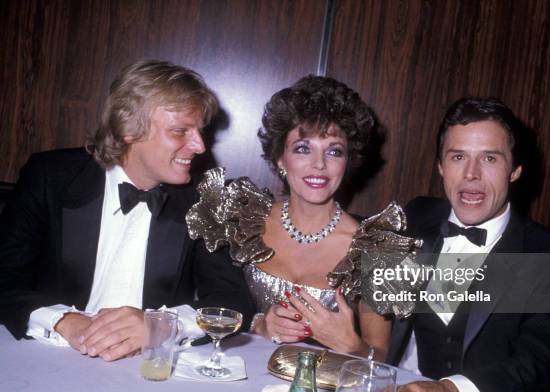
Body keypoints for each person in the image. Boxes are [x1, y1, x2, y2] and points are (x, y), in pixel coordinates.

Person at [0, 59, 254, 362]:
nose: (200, 146)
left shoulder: (204, 198)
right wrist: (61, 320)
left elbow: (233, 301)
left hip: (149, 366)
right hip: (49, 354)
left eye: (200, 130)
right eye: (180, 131)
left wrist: (159, 326)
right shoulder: (51, 177)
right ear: (128, 130)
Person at [387, 97, 550, 392]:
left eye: (490, 158)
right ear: (440, 165)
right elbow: (376, 311)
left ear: (515, 170)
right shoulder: (414, 215)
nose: (471, 174)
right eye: (458, 157)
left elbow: (539, 370)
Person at [187, 75, 420, 360]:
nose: (319, 165)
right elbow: (214, 305)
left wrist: (352, 346)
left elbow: (382, 359)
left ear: (348, 162)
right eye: (302, 148)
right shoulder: (241, 221)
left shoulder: (377, 249)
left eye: (334, 151)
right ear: (280, 159)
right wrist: (258, 324)